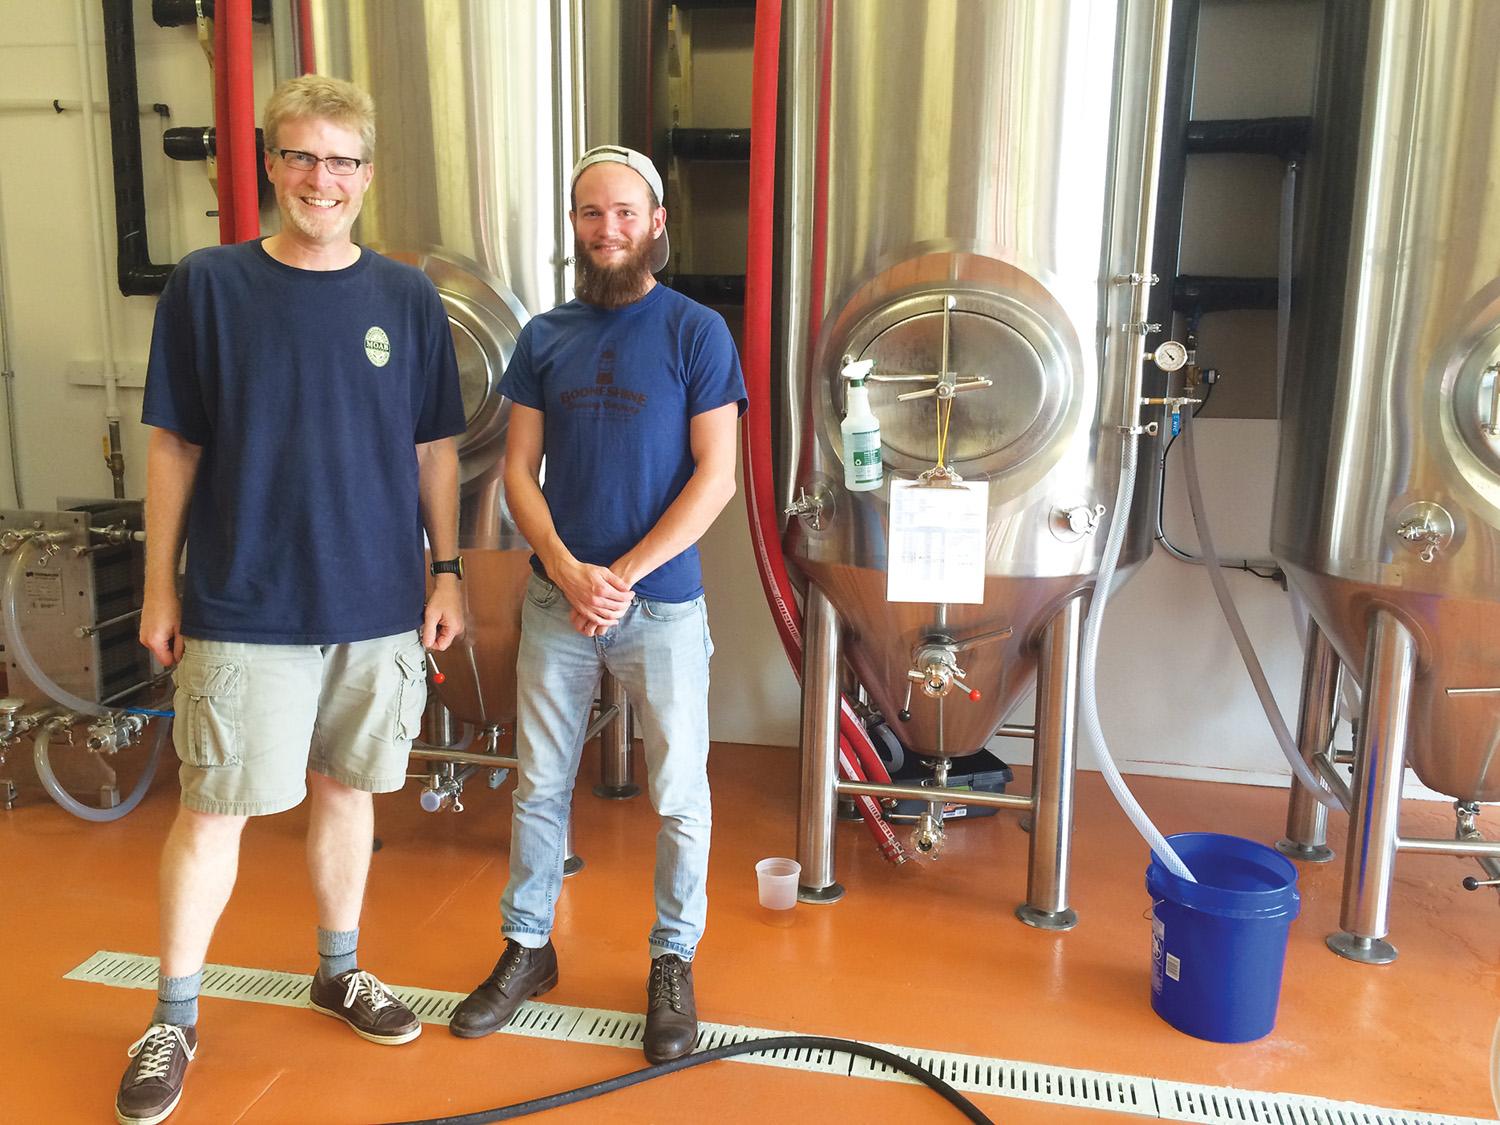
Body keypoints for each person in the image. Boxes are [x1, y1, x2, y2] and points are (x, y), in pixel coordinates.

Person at [114, 75, 466, 1125]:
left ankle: (339, 970)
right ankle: (173, 1016)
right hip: (243, 595)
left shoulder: (405, 298)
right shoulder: (209, 286)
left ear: (367, 174)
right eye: (302, 157)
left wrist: (444, 569)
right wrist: (158, 587)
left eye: (343, 161)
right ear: (270, 165)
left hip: (374, 599)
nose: (324, 179)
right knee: (213, 809)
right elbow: (175, 445)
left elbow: (433, 449)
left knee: (349, 793)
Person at [448, 145, 744, 1063]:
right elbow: (517, 474)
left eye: (624, 213)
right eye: (589, 214)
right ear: (573, 225)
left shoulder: (696, 331)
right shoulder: (546, 336)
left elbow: (716, 478)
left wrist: (620, 574)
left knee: (681, 795)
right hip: (556, 603)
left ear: (658, 223)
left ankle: (671, 960)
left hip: (660, 607)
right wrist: (568, 569)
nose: (607, 230)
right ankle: (529, 947)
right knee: (539, 783)